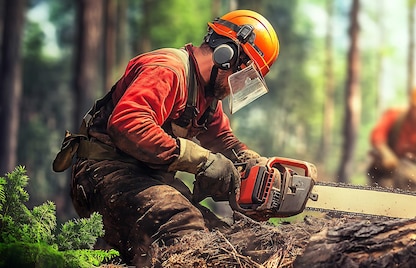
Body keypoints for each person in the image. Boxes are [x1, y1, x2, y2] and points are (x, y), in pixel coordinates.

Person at [52, 10, 279, 266]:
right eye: (243, 78)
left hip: (145, 177)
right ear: (228, 56)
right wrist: (200, 160)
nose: (237, 88)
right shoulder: (168, 69)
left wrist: (251, 162)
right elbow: (127, 124)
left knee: (224, 239)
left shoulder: (207, 97)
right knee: (183, 227)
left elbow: (222, 140)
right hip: (104, 171)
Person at [367, 86, 416, 190]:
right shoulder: (394, 114)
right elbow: (377, 134)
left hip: (408, 174)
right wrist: (385, 153)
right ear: (411, 104)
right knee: (382, 189)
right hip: (383, 169)